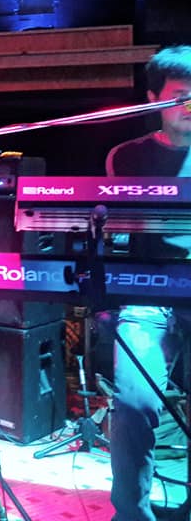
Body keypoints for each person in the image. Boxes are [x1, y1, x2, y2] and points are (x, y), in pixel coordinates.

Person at [105, 45, 191, 521]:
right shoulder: (128, 156)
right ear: (154, 99)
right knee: (134, 403)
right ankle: (131, 514)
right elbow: (118, 233)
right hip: (148, 293)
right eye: (181, 96)